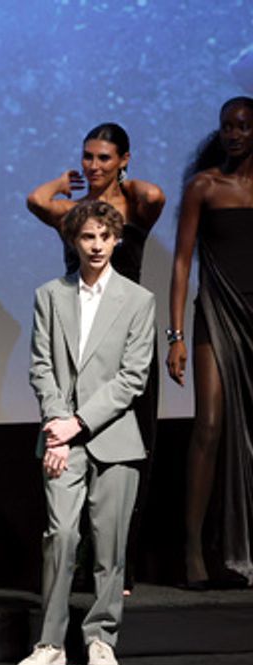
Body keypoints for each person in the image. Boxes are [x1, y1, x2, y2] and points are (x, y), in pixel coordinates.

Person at [27, 123, 166, 593]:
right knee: (73, 456)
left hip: (126, 339)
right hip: (80, 338)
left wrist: (122, 181)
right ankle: (77, 561)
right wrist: (67, 183)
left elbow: (158, 194)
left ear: (124, 159)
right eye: (88, 157)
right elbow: (36, 200)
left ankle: (116, 562)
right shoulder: (74, 212)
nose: (93, 166)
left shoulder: (134, 208)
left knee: (129, 452)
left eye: (104, 158)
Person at [18, 200, 156, 665]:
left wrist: (77, 424)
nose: (96, 246)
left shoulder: (139, 300)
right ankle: (50, 643)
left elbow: (132, 378)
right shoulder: (50, 295)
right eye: (87, 237)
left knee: (109, 543)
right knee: (61, 535)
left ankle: (101, 637)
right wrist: (59, 429)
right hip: (61, 440)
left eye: (104, 236)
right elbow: (41, 367)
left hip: (114, 437)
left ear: (117, 239)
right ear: (73, 242)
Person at [166, 96, 253, 588]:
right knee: (209, 426)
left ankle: (242, 547)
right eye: (227, 127)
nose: (233, 134)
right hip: (217, 314)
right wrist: (175, 334)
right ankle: (194, 548)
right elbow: (181, 262)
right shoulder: (204, 186)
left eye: (242, 126)